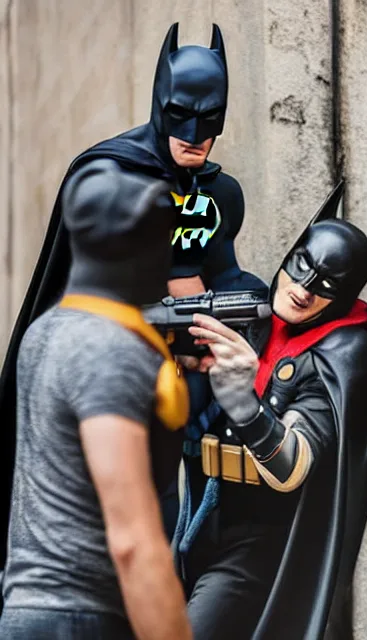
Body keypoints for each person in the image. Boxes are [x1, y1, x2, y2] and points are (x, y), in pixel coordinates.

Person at [0, 21, 264, 571]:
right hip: (111, 372)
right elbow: (84, 294)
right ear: (158, 102)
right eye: (180, 115)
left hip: (189, 390)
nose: (193, 132)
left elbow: (226, 276)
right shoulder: (108, 177)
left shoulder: (220, 193)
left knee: (177, 537)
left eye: (208, 119)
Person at [179, 182, 367, 639]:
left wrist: (241, 398)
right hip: (203, 513)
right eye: (302, 267)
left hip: (265, 540)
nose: (302, 290)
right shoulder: (258, 314)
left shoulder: (347, 351)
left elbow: (294, 464)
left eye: (326, 285)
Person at [0, 160, 192, 639]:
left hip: (29, 610)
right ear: (141, 249)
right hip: (83, 618)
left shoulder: (46, 332)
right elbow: (132, 540)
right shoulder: (110, 350)